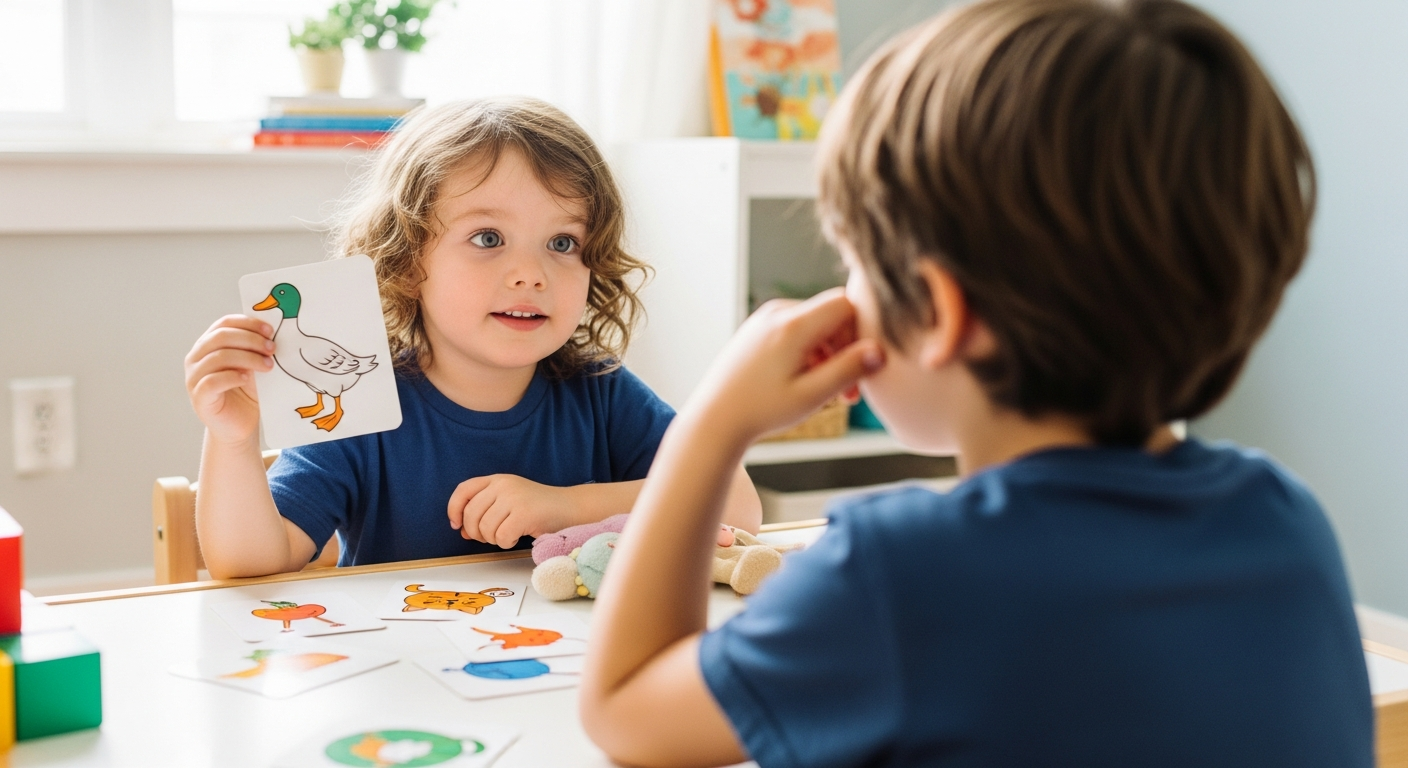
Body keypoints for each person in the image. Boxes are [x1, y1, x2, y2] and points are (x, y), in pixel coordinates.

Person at [580, 1, 1372, 766]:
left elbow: (625, 710)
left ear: (942, 311)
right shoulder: (1286, 522)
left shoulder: (895, 577)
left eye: (853, 262)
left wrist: (710, 424)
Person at [184, 97, 761, 579]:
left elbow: (738, 505)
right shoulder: (361, 404)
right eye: (488, 238)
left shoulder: (600, 391)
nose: (531, 273)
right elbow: (248, 562)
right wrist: (232, 441)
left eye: (562, 243)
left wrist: (564, 506)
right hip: (408, 681)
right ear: (409, 262)